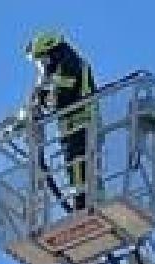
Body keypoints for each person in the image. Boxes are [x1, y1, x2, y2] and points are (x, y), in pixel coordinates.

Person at [27, 30, 98, 206]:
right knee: (77, 166)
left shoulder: (69, 63)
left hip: (80, 124)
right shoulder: (65, 64)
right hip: (73, 125)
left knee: (78, 164)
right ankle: (83, 202)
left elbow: (61, 96)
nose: (43, 65)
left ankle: (83, 204)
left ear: (51, 51)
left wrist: (42, 100)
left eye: (43, 60)